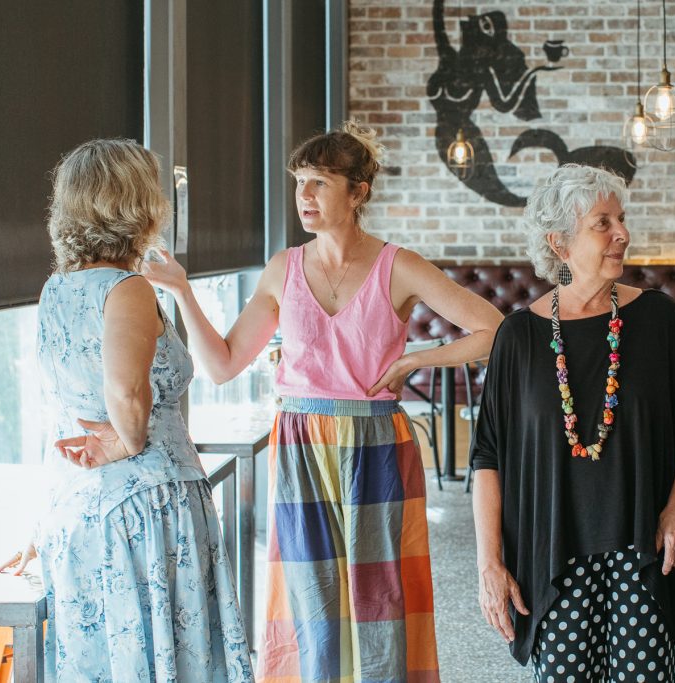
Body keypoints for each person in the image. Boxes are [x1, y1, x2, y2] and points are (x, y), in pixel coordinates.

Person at [141, 121, 503, 683]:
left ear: (357, 191)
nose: (304, 196)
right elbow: (222, 364)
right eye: (299, 183)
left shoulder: (397, 265)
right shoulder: (283, 269)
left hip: (378, 443)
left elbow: (493, 329)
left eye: (319, 183)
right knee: (312, 605)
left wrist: (414, 361)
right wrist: (182, 290)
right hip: (302, 446)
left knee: (381, 597)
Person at [0, 139, 253, 681]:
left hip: (82, 506)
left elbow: (65, 420)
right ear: (138, 205)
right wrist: (128, 440)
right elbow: (127, 401)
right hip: (144, 510)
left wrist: (43, 522)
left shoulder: (55, 290)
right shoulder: (127, 288)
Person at [471, 164, 675, 682]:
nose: (622, 233)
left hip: (642, 553)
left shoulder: (657, 319)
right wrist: (489, 565)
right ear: (559, 243)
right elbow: (488, 458)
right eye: (602, 223)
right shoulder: (518, 338)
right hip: (553, 556)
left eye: (621, 219)